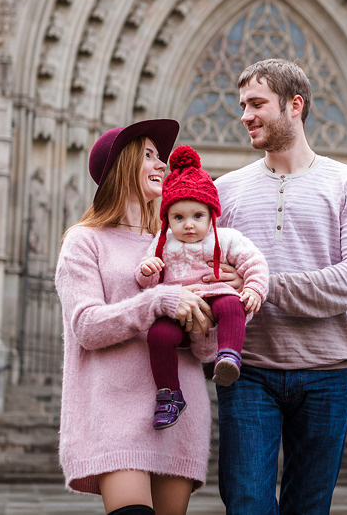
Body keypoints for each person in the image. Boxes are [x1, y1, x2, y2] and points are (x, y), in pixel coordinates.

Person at [211, 58, 347, 514]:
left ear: (294, 106)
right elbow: (207, 274)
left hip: (328, 371)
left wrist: (264, 284)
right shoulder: (224, 191)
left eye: (257, 104)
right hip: (248, 369)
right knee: (246, 503)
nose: (245, 115)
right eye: (242, 104)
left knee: (309, 506)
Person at [55, 118, 217, 515]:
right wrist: (158, 301)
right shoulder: (84, 241)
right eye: (148, 155)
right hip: (114, 414)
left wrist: (211, 310)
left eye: (160, 156)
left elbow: (206, 349)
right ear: (120, 166)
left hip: (179, 413)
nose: (161, 164)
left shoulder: (178, 243)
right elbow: (86, 327)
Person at [135, 145, 269, 429]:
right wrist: (147, 271)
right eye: (179, 217)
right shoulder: (163, 242)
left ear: (211, 216)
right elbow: (148, 280)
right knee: (158, 335)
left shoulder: (226, 238)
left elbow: (254, 261)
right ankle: (169, 394)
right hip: (178, 309)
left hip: (215, 296)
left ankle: (229, 354)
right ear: (167, 220)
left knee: (232, 303)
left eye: (198, 216)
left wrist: (255, 288)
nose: (189, 225)